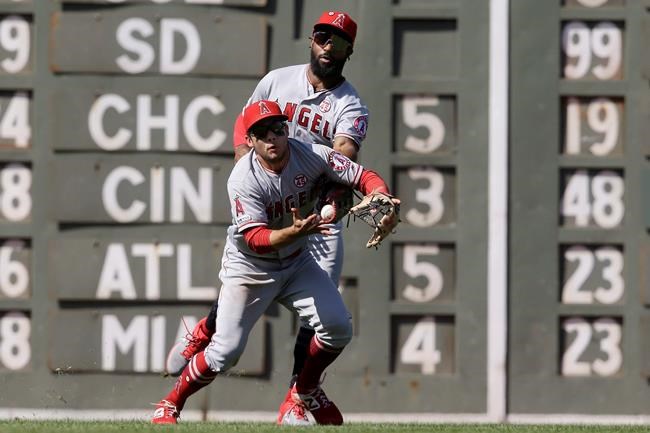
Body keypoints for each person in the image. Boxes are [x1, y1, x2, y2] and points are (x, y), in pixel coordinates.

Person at [164, 10, 369, 425]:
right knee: (246, 276)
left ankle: (298, 394)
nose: (328, 46)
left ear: (350, 50)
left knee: (324, 316)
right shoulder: (278, 80)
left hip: (315, 215)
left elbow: (344, 153)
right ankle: (208, 330)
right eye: (322, 36)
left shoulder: (351, 105)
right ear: (311, 40)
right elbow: (246, 124)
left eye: (338, 40)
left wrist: (338, 192)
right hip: (271, 201)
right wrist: (247, 166)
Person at [152, 100, 399, 425]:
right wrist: (293, 231)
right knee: (224, 353)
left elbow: (360, 174)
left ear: (286, 131)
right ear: (251, 141)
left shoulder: (311, 154)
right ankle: (170, 403)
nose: (273, 138)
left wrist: (380, 193)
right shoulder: (244, 178)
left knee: (338, 327)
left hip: (296, 263)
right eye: (262, 133)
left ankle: (306, 389)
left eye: (278, 130)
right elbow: (256, 239)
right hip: (250, 268)